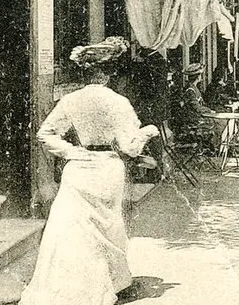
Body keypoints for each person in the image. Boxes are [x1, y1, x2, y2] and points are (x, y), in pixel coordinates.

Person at [21, 36, 160, 305]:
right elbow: (130, 148)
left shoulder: (71, 100)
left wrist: (72, 152)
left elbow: (45, 134)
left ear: (86, 73)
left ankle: (69, 286)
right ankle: (110, 283)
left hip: (79, 168)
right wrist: (148, 131)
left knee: (72, 229)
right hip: (108, 167)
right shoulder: (118, 102)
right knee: (108, 226)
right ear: (108, 73)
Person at [171, 62, 218, 154]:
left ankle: (211, 147)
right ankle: (211, 147)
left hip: (194, 117)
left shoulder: (193, 88)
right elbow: (197, 108)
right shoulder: (190, 90)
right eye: (200, 75)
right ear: (197, 77)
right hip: (192, 120)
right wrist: (209, 111)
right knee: (218, 123)